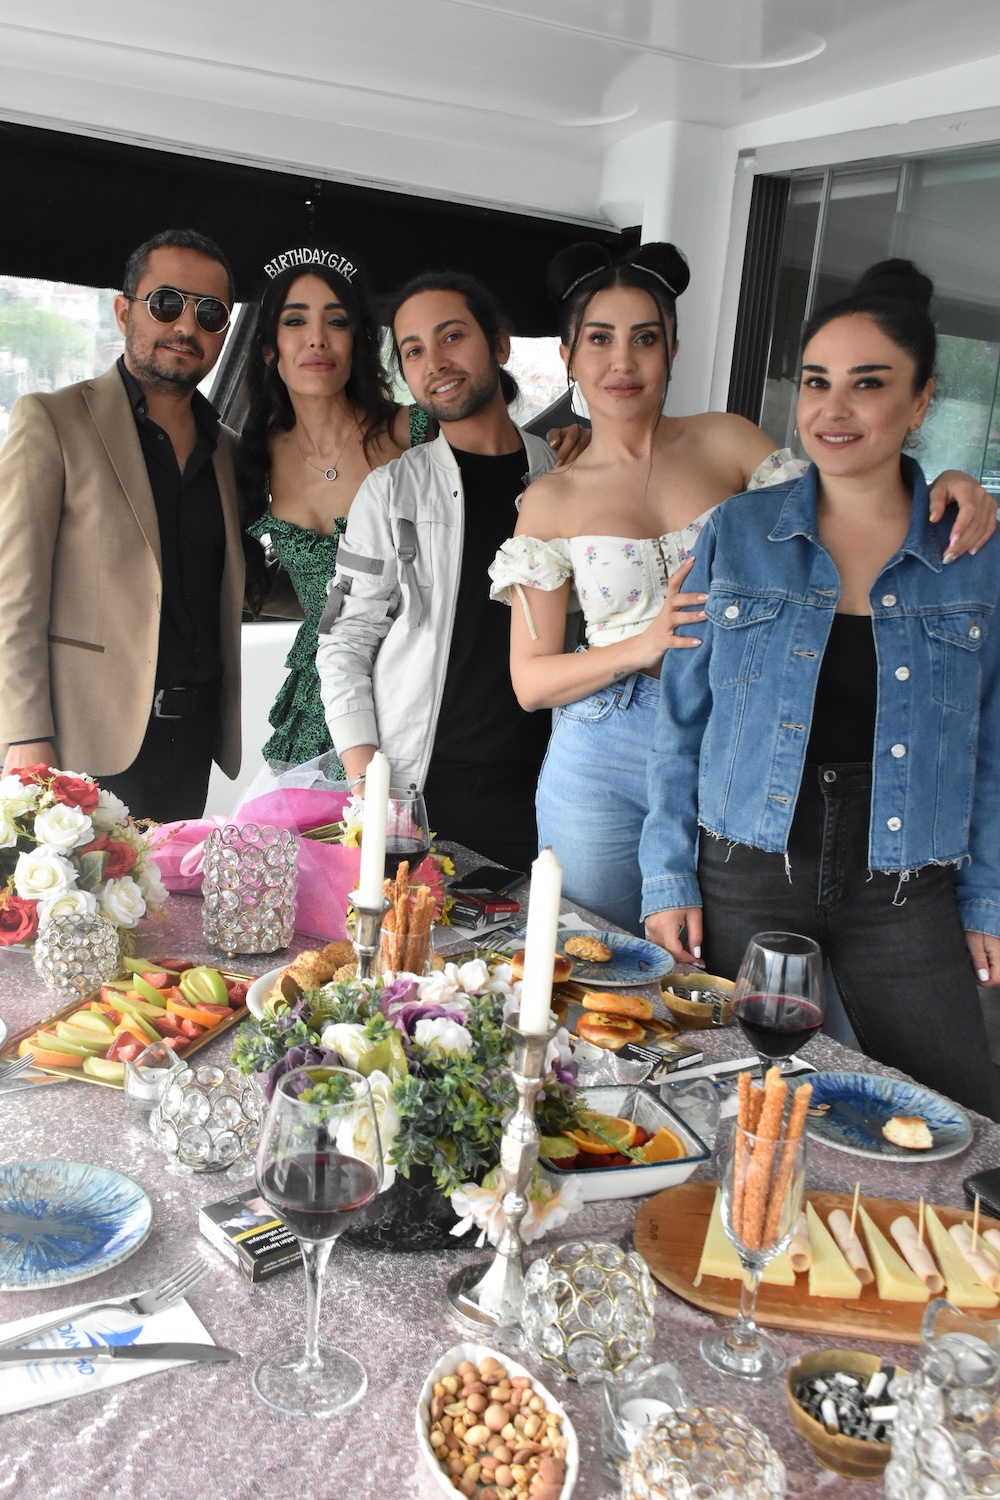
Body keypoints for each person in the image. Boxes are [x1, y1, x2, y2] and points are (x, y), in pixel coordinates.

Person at [489, 241, 994, 934]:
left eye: (646, 338)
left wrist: (945, 483)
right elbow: (531, 681)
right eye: (599, 339)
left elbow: (849, 504)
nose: (623, 362)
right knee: (588, 958)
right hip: (599, 753)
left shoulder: (727, 441)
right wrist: (646, 643)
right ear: (571, 356)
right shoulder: (548, 497)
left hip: (733, 730)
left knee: (720, 970)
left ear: (672, 349)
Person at [640, 260, 999, 1115]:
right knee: (726, 1098)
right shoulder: (741, 531)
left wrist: (987, 892)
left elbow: (991, 743)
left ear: (920, 404)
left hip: (907, 881)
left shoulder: (974, 553)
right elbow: (683, 716)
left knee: (960, 1118)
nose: (833, 411)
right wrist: (667, 876)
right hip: (745, 867)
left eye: (867, 385)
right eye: (816, 383)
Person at [0, 228, 247, 822]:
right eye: (167, 303)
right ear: (122, 310)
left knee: (169, 916)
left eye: (209, 313)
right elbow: (13, 596)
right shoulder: (53, 421)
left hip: (192, 746)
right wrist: (24, 736)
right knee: (73, 916)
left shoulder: (232, 453)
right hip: (80, 744)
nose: (186, 326)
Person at [315, 272, 557, 873]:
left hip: (546, 788)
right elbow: (343, 639)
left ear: (499, 346)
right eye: (413, 351)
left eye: (453, 337)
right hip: (420, 789)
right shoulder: (392, 490)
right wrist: (370, 786)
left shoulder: (565, 477)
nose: (435, 362)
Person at [240, 249, 433, 770]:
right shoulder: (254, 458)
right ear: (267, 348)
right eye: (295, 320)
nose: (317, 338)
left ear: (359, 342)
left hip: (417, 682)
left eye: (337, 321)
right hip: (320, 692)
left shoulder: (416, 433)